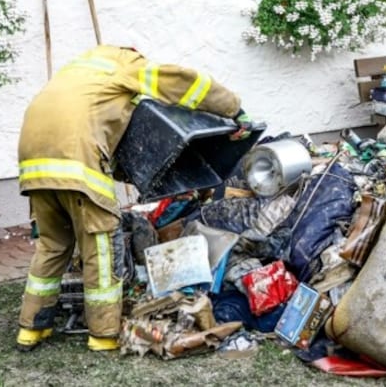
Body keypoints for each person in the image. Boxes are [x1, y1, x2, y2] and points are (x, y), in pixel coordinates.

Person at [15, 45, 251, 351]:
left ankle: (32, 328)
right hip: (76, 163)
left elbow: (102, 134)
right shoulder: (124, 65)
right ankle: (103, 334)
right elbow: (183, 82)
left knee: (52, 245)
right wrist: (232, 108)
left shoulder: (76, 73)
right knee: (101, 248)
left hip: (33, 166)